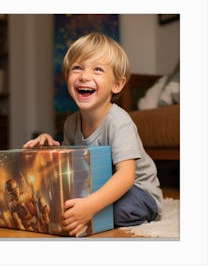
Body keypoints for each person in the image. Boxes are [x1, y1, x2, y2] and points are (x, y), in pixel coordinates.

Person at [23, 32, 163, 236]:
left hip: (137, 190)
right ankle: (90, 209)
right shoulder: (71, 122)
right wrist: (49, 146)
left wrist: (90, 206)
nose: (84, 76)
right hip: (98, 186)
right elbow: (68, 164)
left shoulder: (119, 122)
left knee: (121, 208)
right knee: (62, 203)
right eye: (77, 68)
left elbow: (126, 176)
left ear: (117, 84)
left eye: (98, 69)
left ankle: (105, 212)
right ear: (67, 77)